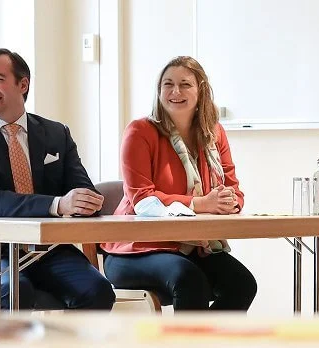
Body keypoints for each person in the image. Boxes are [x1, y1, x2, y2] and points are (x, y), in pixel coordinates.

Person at [0, 48, 115, 310]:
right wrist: (58, 204)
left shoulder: (57, 133)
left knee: (98, 290)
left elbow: (81, 188)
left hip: (49, 250)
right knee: (14, 291)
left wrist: (85, 202)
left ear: (23, 84)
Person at [101, 56, 256, 311]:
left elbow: (233, 189)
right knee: (189, 279)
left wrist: (229, 202)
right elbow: (142, 199)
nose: (175, 92)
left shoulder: (214, 133)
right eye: (168, 84)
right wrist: (201, 204)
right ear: (159, 90)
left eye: (185, 84)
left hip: (194, 246)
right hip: (133, 249)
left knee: (242, 284)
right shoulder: (140, 131)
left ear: (201, 89)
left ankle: (202, 345)